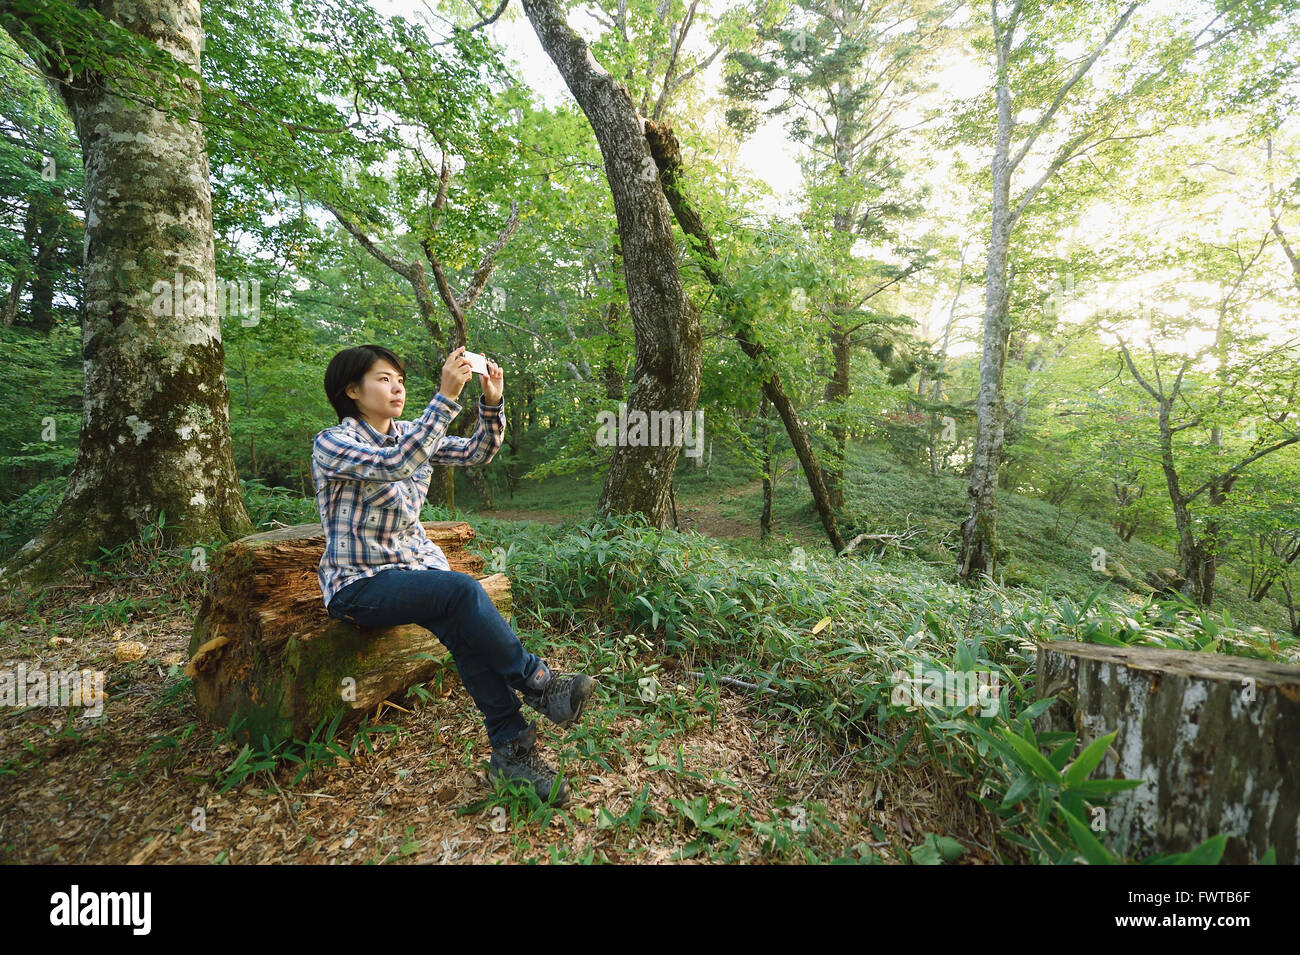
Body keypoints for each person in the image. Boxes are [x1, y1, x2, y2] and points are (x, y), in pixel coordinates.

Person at [312, 343, 595, 805]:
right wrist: (444, 398)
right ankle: (539, 684)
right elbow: (394, 463)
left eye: (400, 378)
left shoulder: (410, 433)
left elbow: (477, 452)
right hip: (357, 585)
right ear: (351, 390)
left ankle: (512, 752)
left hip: (413, 572)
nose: (397, 386)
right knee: (461, 592)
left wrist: (490, 403)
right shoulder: (333, 443)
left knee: (463, 633)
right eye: (384, 379)